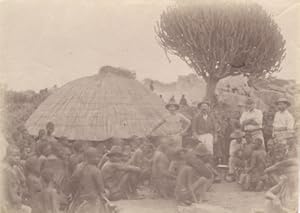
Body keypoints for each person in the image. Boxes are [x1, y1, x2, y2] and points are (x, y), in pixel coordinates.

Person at [68, 147, 107, 213]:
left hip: (79, 197)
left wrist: (74, 193)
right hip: (92, 198)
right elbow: (101, 188)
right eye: (96, 157)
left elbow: (72, 182)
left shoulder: (78, 167)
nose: (98, 159)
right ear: (89, 158)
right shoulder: (95, 170)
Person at [2, 145, 31, 213]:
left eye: (18, 156)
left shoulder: (16, 167)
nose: (17, 158)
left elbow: (22, 180)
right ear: (8, 156)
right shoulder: (5, 169)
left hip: (18, 197)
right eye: (14, 156)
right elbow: (10, 188)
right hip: (10, 201)